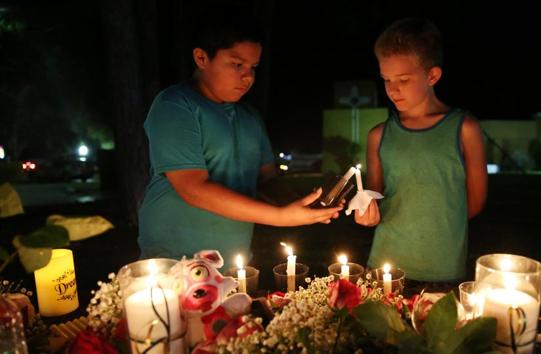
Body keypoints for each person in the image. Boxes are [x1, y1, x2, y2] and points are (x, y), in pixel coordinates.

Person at [138, 5, 341, 262]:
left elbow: (266, 179)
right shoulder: (175, 106)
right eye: (237, 64)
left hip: (232, 262)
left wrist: (306, 204)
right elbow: (191, 186)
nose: (248, 77)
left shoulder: (249, 118)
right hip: (175, 261)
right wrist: (279, 217)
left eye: (253, 67)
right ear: (201, 58)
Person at [355, 18, 487, 292]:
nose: (392, 89)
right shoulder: (379, 135)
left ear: (432, 75)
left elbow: (473, 203)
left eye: (403, 79)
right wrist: (365, 212)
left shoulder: (464, 129)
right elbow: (373, 197)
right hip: (384, 267)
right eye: (386, 80)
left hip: (443, 271)